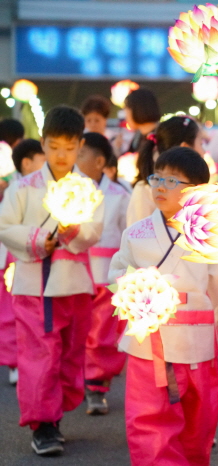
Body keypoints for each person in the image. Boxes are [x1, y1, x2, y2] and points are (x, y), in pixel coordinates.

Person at [108, 146, 218, 465]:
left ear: (198, 192)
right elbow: (118, 270)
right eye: (157, 177)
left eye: (173, 180)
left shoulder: (211, 235)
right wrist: (133, 288)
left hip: (198, 344)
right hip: (151, 344)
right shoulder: (137, 234)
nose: (160, 185)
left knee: (199, 422)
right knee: (149, 420)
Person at [0, 106, 104, 456]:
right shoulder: (23, 187)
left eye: (69, 146)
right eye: (54, 146)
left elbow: (94, 231)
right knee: (39, 356)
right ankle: (43, 424)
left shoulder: (88, 187)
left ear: (79, 147)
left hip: (74, 284)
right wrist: (36, 239)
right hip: (34, 286)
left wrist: (74, 229)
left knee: (70, 356)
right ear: (42, 144)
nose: (61, 154)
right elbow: (3, 226)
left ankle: (53, 415)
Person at [76, 132, 130, 416]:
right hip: (76, 271)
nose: (75, 158)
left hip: (108, 276)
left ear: (99, 161)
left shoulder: (121, 195)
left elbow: (127, 234)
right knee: (77, 331)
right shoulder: (67, 191)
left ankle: (96, 385)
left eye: (81, 154)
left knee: (102, 333)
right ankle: (74, 382)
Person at [0, 139, 46, 386]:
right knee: (11, 312)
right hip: (14, 256)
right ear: (27, 163)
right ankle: (14, 361)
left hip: (37, 256)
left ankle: (27, 360)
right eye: (43, 159)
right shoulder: (15, 188)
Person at [126, 115, 203, 226]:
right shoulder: (145, 190)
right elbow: (136, 237)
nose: (204, 151)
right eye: (200, 144)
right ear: (185, 147)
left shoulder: (191, 185)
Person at [123, 88, 161, 154]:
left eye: (127, 110)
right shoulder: (138, 136)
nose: (126, 117)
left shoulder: (161, 137)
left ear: (138, 110)